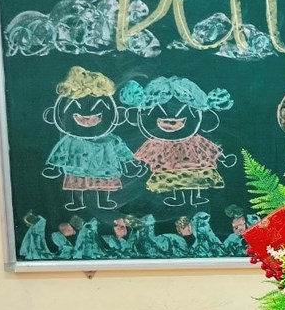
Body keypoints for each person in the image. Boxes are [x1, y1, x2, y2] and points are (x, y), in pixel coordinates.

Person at [121, 76, 237, 206]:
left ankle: (195, 198)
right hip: (169, 169)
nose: (171, 121)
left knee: (194, 180)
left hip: (192, 167)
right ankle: (179, 199)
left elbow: (207, 147)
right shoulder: (157, 142)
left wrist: (222, 158)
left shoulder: (194, 140)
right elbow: (146, 152)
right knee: (174, 182)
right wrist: (137, 163)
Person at [41, 67, 139, 211]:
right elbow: (61, 152)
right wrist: (54, 167)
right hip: (79, 168)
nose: (87, 121)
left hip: (103, 168)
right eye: (80, 117)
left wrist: (131, 164)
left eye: (95, 117)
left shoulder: (109, 140)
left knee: (103, 183)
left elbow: (121, 150)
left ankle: (103, 201)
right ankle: (78, 202)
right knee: (77, 182)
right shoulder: (71, 140)